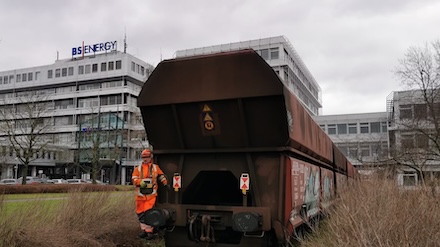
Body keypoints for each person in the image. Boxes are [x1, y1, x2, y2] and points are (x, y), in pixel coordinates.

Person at [132, 149, 170, 239]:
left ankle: (150, 232)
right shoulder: (138, 168)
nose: (145, 159)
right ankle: (144, 230)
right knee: (140, 213)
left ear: (150, 158)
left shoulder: (155, 168)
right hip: (140, 196)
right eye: (143, 157)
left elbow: (161, 176)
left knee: (149, 213)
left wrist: (165, 183)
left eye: (147, 157)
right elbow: (134, 179)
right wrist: (139, 182)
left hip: (151, 195)